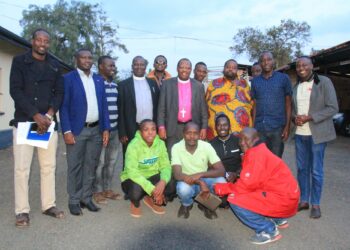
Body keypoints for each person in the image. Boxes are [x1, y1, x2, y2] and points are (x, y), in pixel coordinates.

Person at [9, 28, 65, 227]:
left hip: (48, 123)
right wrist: (35, 115)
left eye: (46, 41)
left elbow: (59, 93)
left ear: (49, 44)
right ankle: (21, 211)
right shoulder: (19, 62)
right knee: (22, 169)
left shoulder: (55, 65)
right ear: (32, 41)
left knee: (48, 167)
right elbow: (15, 90)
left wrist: (48, 115)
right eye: (39, 39)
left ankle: (48, 205)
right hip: (26, 121)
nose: (42, 43)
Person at [215, 128, 299, 245]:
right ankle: (278, 219)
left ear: (255, 139)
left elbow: (244, 187)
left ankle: (268, 230)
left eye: (246, 139)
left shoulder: (256, 156)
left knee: (234, 198)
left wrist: (221, 188)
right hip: (288, 196)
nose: (242, 143)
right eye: (240, 139)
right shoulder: (259, 149)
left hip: (284, 200)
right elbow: (254, 181)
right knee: (256, 191)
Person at [60, 48, 110, 216]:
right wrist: (66, 130)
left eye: (90, 58)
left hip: (96, 130)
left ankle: (86, 198)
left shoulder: (98, 79)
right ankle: (74, 200)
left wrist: (106, 129)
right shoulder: (68, 79)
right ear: (77, 59)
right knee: (75, 166)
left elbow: (104, 106)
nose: (87, 60)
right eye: (83, 57)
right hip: (77, 131)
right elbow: (64, 107)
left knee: (91, 165)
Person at [292, 56, 338, 219]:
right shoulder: (296, 86)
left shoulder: (323, 82)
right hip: (300, 134)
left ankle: (316, 204)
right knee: (302, 169)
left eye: (304, 64)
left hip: (317, 134)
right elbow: (293, 109)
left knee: (316, 170)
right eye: (298, 65)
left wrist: (309, 117)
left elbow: (333, 107)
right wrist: (294, 118)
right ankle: (304, 201)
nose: (301, 67)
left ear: (312, 66)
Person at [120, 119, 176, 218]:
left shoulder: (160, 144)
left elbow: (166, 165)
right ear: (140, 132)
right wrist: (152, 189)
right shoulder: (133, 145)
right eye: (146, 130)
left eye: (153, 129)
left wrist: (162, 182)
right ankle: (135, 202)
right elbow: (132, 171)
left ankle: (149, 198)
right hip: (133, 178)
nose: (150, 132)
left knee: (171, 184)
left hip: (152, 175)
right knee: (135, 192)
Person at [172, 122, 226, 219]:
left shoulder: (206, 146)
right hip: (187, 180)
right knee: (182, 189)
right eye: (188, 133)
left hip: (203, 178)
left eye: (195, 133)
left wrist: (200, 175)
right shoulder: (176, 147)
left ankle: (205, 203)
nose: (192, 136)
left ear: (199, 134)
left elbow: (221, 170)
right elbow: (177, 174)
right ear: (183, 134)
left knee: (222, 182)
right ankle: (187, 204)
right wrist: (200, 182)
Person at [158, 58, 208, 154]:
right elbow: (161, 108)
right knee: (172, 155)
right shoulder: (167, 84)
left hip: (192, 127)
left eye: (187, 68)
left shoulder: (198, 86)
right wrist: (161, 127)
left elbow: (203, 110)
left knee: (191, 155)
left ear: (191, 70)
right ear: (177, 68)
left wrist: (204, 127)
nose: (184, 70)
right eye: (182, 67)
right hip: (173, 127)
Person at [93, 56, 123, 205]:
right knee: (99, 162)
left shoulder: (115, 85)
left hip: (115, 130)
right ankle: (96, 191)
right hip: (100, 130)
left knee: (111, 162)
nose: (113, 68)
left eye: (113, 66)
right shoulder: (94, 83)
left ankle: (107, 189)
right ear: (100, 67)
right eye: (109, 66)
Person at [251, 51, 292, 157]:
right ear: (260, 63)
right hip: (260, 129)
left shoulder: (283, 78)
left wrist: (287, 127)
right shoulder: (255, 81)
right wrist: (253, 127)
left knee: (275, 162)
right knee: (261, 160)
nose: (266, 62)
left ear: (273, 61)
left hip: (277, 129)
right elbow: (255, 105)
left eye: (269, 59)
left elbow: (288, 104)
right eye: (263, 60)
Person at [118, 56, 159, 151]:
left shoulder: (152, 83)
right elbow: (121, 110)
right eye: (136, 64)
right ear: (132, 66)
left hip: (150, 128)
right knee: (130, 155)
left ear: (145, 67)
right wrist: (122, 132)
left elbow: (157, 106)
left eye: (142, 65)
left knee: (149, 154)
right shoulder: (123, 85)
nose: (139, 67)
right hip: (131, 127)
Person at [206, 59, 253, 140]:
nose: (230, 69)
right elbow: (205, 105)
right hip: (217, 132)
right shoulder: (214, 84)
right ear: (224, 69)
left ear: (237, 70)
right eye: (228, 67)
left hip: (241, 132)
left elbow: (251, 104)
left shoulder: (244, 84)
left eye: (233, 68)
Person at [210, 113, 242, 182]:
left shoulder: (238, 141)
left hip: (239, 176)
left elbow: (245, 161)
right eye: (219, 125)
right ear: (215, 127)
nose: (222, 128)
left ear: (229, 126)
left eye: (225, 125)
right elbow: (210, 166)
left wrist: (236, 174)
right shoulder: (211, 145)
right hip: (219, 178)